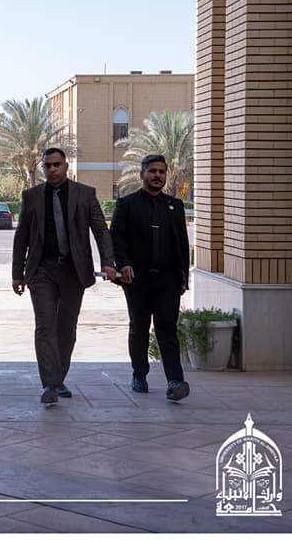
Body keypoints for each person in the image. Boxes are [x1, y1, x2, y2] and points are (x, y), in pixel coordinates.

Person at [12, 147, 116, 404]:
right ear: (43, 168)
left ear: (66, 166)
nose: (52, 170)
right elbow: (22, 236)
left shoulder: (85, 194)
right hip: (41, 270)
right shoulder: (32, 196)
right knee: (45, 325)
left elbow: (100, 230)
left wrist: (108, 262)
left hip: (73, 270)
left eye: (56, 165)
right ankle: (50, 384)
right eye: (47, 166)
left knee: (67, 328)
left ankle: (58, 378)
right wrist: (17, 273)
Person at [110, 154, 191, 401]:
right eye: (153, 171)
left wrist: (183, 279)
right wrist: (123, 264)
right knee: (139, 328)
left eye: (161, 172)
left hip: (168, 280)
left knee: (167, 329)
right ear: (142, 174)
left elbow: (182, 244)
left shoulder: (174, 206)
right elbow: (116, 238)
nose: (157, 176)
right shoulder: (127, 204)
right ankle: (139, 374)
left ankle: (175, 381)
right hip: (137, 280)